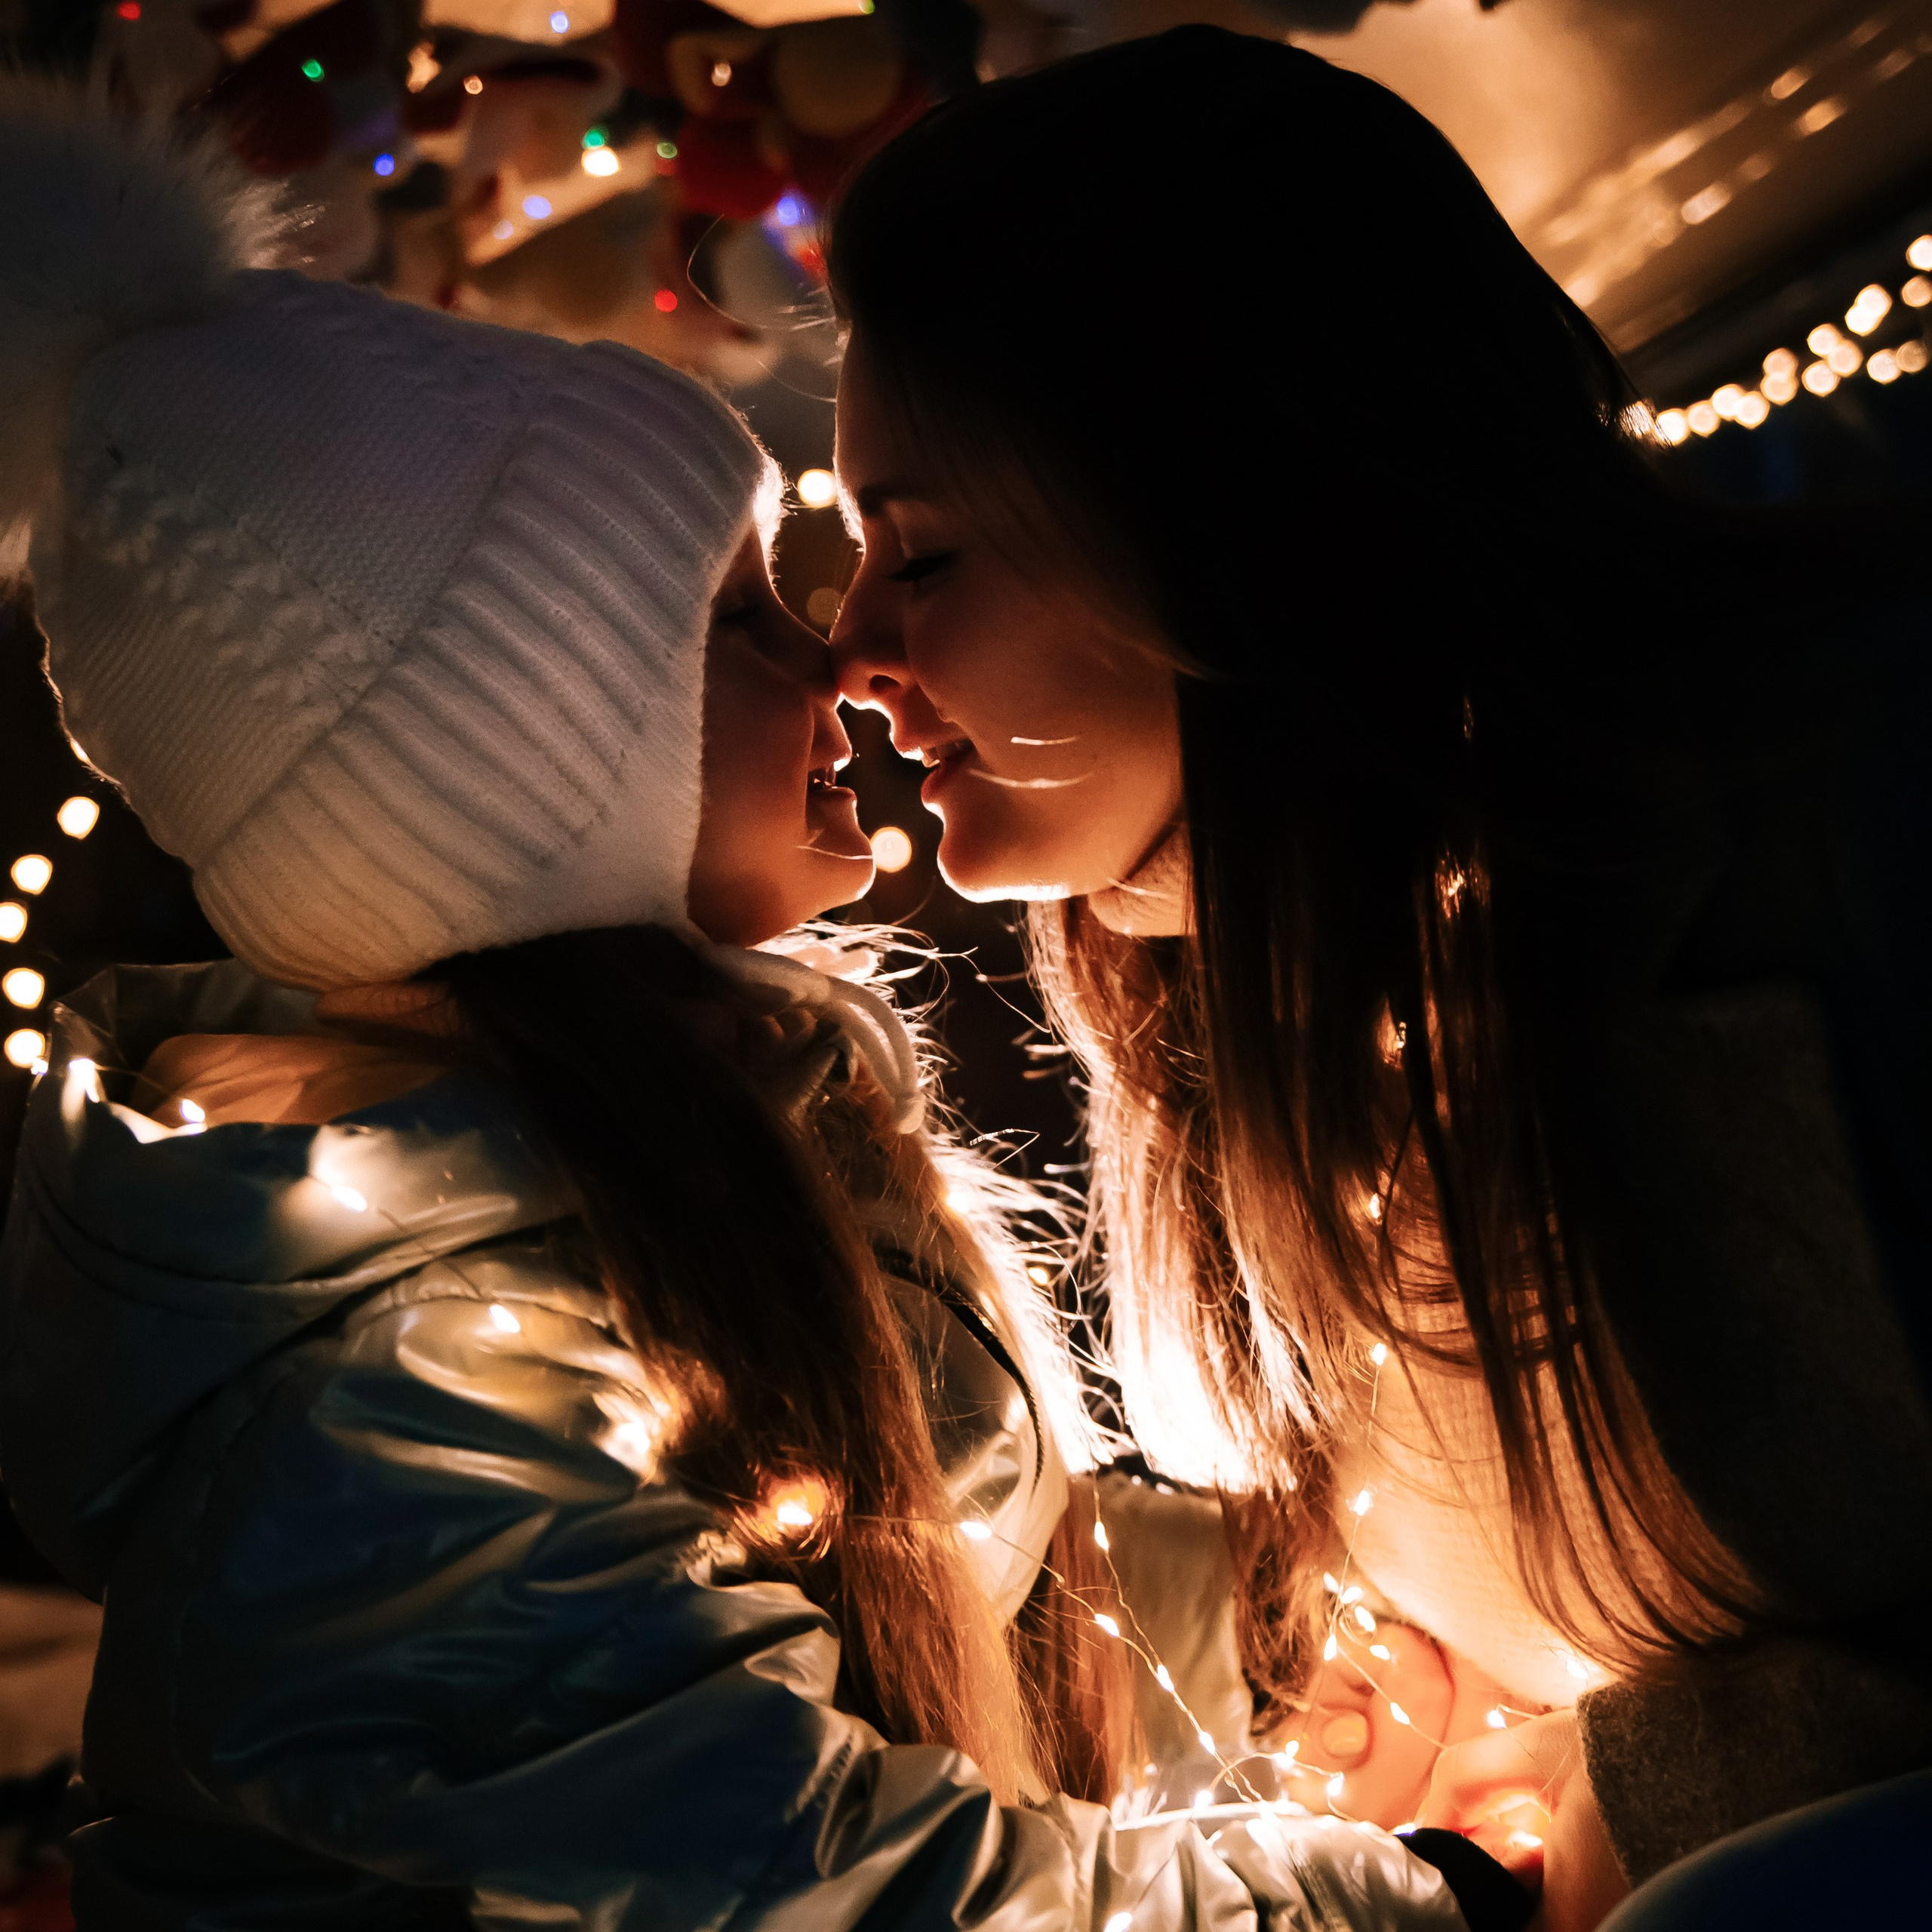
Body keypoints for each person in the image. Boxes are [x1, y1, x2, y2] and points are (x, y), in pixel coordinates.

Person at [0, 78, 1481, 1932]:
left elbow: (905, 1567)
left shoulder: (690, 1122)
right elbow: (826, 1880)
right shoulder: (434, 1350)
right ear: (529, 781)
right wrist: (1386, 1901)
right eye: (736, 623)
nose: (842, 658)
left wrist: (1271, 1657)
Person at [824, 25, 1932, 1930]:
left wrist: (1632, 1785)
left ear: (1214, 510)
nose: (852, 645)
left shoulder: (1845, 817)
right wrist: (1461, 1692)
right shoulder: (1252, 1013)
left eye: (917, 554)